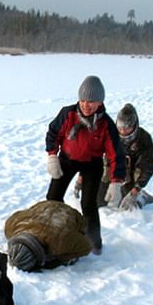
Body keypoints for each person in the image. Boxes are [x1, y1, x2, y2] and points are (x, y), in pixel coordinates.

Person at [44, 75, 125, 255]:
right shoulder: (68, 114)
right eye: (82, 100)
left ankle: (94, 243)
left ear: (99, 103)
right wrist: (52, 156)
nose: (85, 105)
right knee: (53, 197)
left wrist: (116, 182)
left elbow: (115, 154)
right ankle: (55, 233)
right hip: (67, 160)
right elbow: (53, 133)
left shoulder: (106, 124)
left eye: (90, 101)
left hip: (92, 164)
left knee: (89, 204)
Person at [94, 103, 153, 211]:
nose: (123, 131)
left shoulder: (144, 139)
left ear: (134, 125)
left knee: (128, 207)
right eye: (120, 127)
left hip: (132, 177)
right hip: (113, 175)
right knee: (98, 202)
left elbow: (147, 167)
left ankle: (141, 196)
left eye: (127, 127)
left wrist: (135, 191)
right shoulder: (110, 135)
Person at [4, 200, 93, 271]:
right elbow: (17, 214)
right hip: (45, 206)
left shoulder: (60, 243)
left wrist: (58, 260)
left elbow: (87, 247)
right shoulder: (11, 228)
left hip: (71, 214)